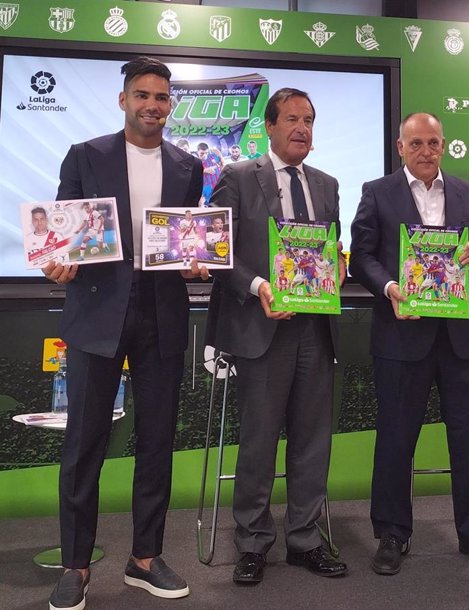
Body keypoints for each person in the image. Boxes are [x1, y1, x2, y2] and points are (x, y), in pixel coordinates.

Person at [42, 56, 205, 610]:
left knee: (157, 441)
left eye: (161, 97)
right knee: (84, 443)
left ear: (169, 105)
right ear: (124, 100)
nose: (152, 106)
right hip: (97, 313)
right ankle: (75, 565)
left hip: (163, 314)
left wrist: (193, 262)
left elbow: (185, 240)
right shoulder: (86, 156)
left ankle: (145, 558)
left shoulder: (187, 166)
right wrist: (55, 262)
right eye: (142, 95)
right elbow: (61, 232)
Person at [349, 112, 469, 576]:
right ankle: (393, 534)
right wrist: (391, 288)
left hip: (463, 338)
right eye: (415, 143)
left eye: (433, 143)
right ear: (400, 147)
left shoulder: (464, 192)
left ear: (444, 146)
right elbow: (361, 257)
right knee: (396, 440)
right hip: (402, 334)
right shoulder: (377, 192)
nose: (425, 151)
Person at [206, 87, 347, 584]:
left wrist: (339, 266)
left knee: (312, 442)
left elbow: (333, 248)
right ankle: (252, 543)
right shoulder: (238, 176)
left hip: (315, 329)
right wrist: (260, 285)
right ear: (268, 126)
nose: (301, 128)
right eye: (291, 119)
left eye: (308, 119)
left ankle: (305, 539)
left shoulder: (327, 184)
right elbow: (217, 253)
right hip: (261, 328)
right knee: (259, 442)